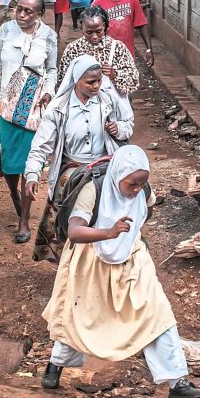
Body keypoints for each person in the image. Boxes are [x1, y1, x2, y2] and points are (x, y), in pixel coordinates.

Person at [40, 145, 200, 398]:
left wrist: (128, 236)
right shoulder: (93, 190)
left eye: (142, 184)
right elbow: (75, 232)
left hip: (132, 260)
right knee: (79, 316)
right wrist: (109, 233)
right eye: (131, 184)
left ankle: (178, 383)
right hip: (91, 262)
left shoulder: (143, 190)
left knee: (157, 313)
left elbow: (146, 210)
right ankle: (54, 368)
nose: (137, 190)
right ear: (118, 175)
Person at [24, 55, 133, 263]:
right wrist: (32, 174)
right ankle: (67, 258)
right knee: (66, 208)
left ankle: (105, 256)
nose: (97, 85)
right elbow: (40, 146)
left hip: (103, 165)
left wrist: (118, 129)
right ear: (76, 80)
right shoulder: (59, 108)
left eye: (99, 80)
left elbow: (128, 124)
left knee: (109, 209)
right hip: (72, 167)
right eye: (90, 82)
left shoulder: (107, 100)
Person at [0, 0, 58, 244]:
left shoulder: (48, 36)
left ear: (39, 14)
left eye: (29, 11)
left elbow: (52, 70)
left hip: (33, 107)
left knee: (29, 163)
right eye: (19, 9)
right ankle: (17, 198)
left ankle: (24, 219)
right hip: (7, 107)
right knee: (10, 165)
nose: (22, 14)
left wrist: (48, 92)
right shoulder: (5, 31)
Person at [59, 6, 140, 98]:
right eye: (89, 32)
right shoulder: (73, 49)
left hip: (112, 106)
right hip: (82, 106)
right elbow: (63, 81)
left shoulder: (118, 48)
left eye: (99, 31)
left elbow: (133, 81)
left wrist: (114, 75)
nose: (94, 36)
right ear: (82, 29)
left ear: (104, 26)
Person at [93, 0, 154, 67]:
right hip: (105, 54)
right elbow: (90, 27)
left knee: (127, 81)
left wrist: (149, 49)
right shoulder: (98, 2)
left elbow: (142, 24)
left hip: (127, 54)